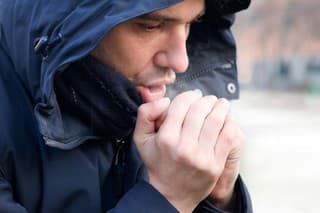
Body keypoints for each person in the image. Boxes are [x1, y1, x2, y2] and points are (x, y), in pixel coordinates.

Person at [0, 0, 252, 212]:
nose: (181, 61)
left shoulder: (147, 101)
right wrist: (167, 199)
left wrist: (216, 200)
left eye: (191, 24)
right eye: (151, 26)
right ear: (69, 23)